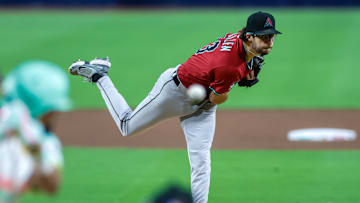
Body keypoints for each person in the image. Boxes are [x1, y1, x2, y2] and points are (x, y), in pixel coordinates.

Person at [69, 11, 281, 203]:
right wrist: (242, 75)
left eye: (271, 36)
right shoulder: (230, 67)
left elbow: (215, 91)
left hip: (202, 103)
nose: (269, 41)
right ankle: (99, 75)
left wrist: (245, 70)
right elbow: (218, 99)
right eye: (264, 36)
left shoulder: (238, 40)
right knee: (127, 126)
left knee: (201, 159)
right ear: (249, 37)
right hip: (174, 92)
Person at [0, 61, 71, 202]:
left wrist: (33, 146)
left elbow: (51, 185)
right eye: (52, 110)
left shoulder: (45, 141)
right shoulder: (8, 120)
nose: (54, 115)